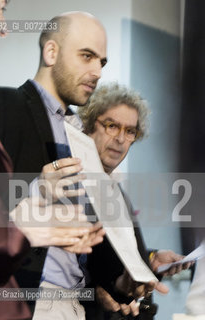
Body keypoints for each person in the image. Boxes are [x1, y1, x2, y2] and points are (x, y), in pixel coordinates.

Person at [0, 4, 105, 319]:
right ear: (51, 52)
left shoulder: (82, 135)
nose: (97, 72)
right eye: (87, 56)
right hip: (32, 300)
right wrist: (37, 190)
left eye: (101, 61)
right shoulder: (2, 105)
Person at [77, 82, 191, 319]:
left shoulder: (116, 191)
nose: (120, 139)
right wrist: (96, 293)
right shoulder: (71, 187)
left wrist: (151, 259)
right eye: (112, 126)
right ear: (88, 126)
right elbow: (56, 278)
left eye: (130, 131)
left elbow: (117, 260)